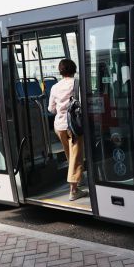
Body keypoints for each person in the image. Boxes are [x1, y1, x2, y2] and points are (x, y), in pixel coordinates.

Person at [47, 59, 87, 201]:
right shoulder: (77, 84)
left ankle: (78, 180)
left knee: (70, 155)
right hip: (74, 125)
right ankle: (74, 190)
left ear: (61, 71)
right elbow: (83, 104)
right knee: (76, 156)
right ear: (74, 69)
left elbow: (51, 109)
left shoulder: (55, 87)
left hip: (59, 126)